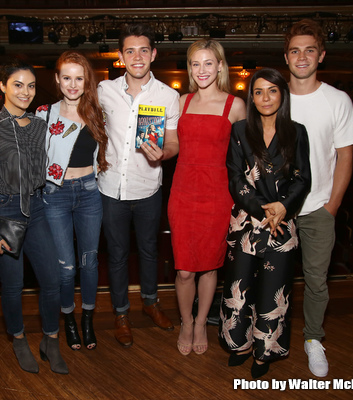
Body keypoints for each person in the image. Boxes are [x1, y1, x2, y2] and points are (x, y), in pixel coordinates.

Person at [0, 59, 68, 375]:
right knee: (12, 286)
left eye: (30, 85)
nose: (25, 92)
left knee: (52, 281)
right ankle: (18, 339)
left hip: (37, 209)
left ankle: (51, 340)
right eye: (17, 84)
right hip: (4, 212)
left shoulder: (40, 126)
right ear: (2, 86)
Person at [219, 68, 311, 378]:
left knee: (274, 290)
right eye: (258, 92)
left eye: (272, 91)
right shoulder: (240, 130)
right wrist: (262, 208)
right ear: (251, 97)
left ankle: (263, 353)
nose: (265, 97)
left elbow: (303, 178)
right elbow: (234, 178)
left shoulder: (297, 132)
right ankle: (240, 345)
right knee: (239, 287)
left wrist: (283, 208)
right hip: (246, 221)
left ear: (282, 95)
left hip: (281, 227)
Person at [284, 19, 353, 377]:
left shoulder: (337, 100)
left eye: (309, 50)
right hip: (277, 209)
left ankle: (314, 339)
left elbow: (345, 155)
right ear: (286, 57)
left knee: (316, 281)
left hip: (318, 208)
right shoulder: (274, 97)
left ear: (321, 55)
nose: (302, 57)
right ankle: (270, 335)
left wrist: (332, 206)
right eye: (295, 50)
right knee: (272, 279)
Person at [97, 23, 180, 347]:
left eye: (143, 50)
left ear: (154, 54)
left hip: (148, 188)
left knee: (149, 251)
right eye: (130, 50)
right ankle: (121, 313)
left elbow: (173, 142)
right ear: (120, 56)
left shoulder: (168, 96)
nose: (137, 56)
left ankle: (150, 303)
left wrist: (164, 153)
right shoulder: (104, 90)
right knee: (116, 255)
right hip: (110, 188)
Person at [168, 39, 245, 356]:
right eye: (195, 64)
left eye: (208, 63)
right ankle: (186, 320)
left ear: (220, 66)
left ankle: (201, 322)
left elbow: (244, 159)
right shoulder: (180, 102)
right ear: (189, 68)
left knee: (210, 267)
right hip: (183, 191)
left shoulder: (235, 105)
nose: (202, 69)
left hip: (217, 194)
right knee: (185, 269)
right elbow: (171, 145)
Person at [36, 51, 108, 352]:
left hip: (90, 192)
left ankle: (88, 319)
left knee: (89, 263)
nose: (73, 84)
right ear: (57, 79)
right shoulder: (44, 114)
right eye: (67, 77)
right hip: (56, 195)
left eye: (79, 78)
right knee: (66, 268)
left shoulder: (96, 112)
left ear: (86, 80)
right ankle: (67, 319)